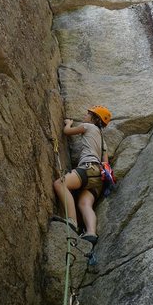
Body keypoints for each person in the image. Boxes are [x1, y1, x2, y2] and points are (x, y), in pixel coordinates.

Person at [53, 105, 112, 245]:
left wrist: (68, 123)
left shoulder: (88, 126)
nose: (85, 116)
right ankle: (91, 232)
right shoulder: (103, 142)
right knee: (85, 204)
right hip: (99, 177)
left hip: (88, 168)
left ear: (94, 118)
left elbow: (67, 131)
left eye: (88, 114)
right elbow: (106, 163)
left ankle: (72, 221)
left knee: (60, 183)